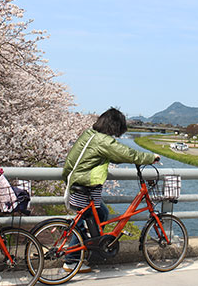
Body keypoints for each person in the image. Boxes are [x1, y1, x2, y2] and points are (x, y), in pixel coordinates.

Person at [62, 107, 159, 273]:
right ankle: (71, 260)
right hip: (85, 185)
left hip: (78, 182)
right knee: (83, 220)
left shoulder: (90, 134)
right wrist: (151, 157)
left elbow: (114, 154)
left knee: (101, 215)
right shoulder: (103, 141)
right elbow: (125, 152)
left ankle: (91, 249)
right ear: (114, 126)